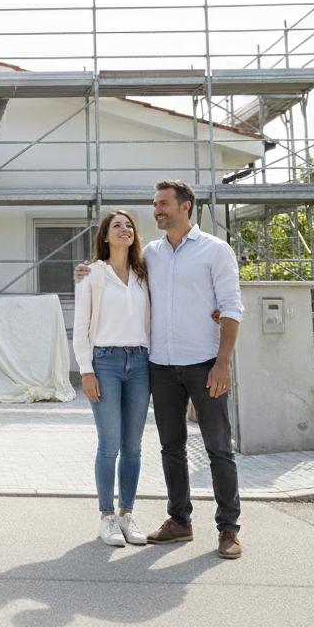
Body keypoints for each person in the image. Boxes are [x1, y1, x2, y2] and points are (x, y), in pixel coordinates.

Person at [76, 180, 245, 559]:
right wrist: (83, 273)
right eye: (155, 204)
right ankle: (179, 520)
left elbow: (232, 306)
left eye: (164, 204)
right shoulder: (149, 255)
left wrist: (223, 363)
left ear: (186, 207)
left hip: (204, 364)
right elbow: (108, 272)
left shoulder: (214, 250)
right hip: (161, 367)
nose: (157, 211)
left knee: (219, 448)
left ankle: (228, 528)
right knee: (171, 447)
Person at [73, 210, 152, 548]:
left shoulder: (144, 272)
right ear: (105, 236)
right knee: (109, 445)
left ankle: (126, 514)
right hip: (104, 362)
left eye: (129, 225)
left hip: (140, 361)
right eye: (117, 226)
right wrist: (85, 370)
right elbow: (80, 327)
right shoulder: (91, 274)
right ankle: (106, 518)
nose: (125, 229)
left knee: (132, 446)